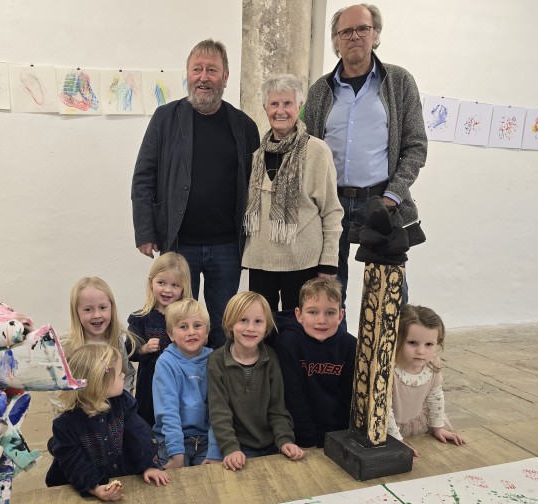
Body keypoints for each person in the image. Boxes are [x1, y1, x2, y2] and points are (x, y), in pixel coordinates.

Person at [132, 39, 261, 348]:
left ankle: (215, 392)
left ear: (226, 77)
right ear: (187, 74)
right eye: (197, 69)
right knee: (179, 326)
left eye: (212, 70)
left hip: (227, 246)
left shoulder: (244, 126)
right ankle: (181, 388)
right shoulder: (165, 118)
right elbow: (143, 177)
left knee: (222, 326)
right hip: (179, 245)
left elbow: (257, 190)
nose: (204, 77)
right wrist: (145, 231)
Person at [301, 4, 427, 307]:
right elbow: (306, 147)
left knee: (389, 294)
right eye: (345, 31)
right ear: (335, 41)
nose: (354, 36)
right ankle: (334, 354)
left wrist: (392, 197)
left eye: (362, 29)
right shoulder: (320, 90)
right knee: (328, 290)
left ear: (376, 35)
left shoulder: (399, 82)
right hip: (331, 204)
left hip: (381, 202)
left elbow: (416, 146)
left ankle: (387, 354)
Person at [242, 74, 343, 312]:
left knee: (297, 331)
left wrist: (328, 262)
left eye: (287, 103)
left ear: (299, 106)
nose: (280, 111)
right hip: (260, 261)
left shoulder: (317, 151)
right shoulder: (256, 156)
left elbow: (331, 210)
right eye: (274, 104)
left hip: (303, 262)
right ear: (266, 108)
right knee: (262, 330)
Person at [45, 344, 169, 501]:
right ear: (99, 384)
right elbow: (74, 462)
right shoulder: (66, 425)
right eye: (119, 374)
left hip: (121, 470)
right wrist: (94, 487)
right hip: (84, 480)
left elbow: (137, 436)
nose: (124, 375)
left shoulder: (123, 402)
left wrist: (148, 465)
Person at [207, 291, 305, 471]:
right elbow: (219, 411)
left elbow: (278, 408)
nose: (250, 328)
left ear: (266, 325)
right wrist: (230, 448)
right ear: (230, 323)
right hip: (239, 447)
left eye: (258, 321)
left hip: (273, 444)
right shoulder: (216, 361)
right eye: (243, 320)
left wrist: (285, 440)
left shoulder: (272, 358)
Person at [275, 278, 356, 448]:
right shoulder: (289, 342)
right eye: (312, 312)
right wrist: (308, 440)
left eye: (330, 313)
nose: (321, 320)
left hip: (338, 435)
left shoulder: (350, 346)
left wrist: (339, 438)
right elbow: (293, 396)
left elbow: (348, 398)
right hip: (299, 437)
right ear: (299, 315)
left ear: (341, 315)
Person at [387, 304, 465, 456]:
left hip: (418, 421)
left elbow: (435, 395)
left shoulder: (432, 363)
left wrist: (438, 427)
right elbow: (385, 411)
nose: (421, 351)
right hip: (388, 425)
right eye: (412, 343)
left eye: (429, 344)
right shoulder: (389, 368)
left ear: (438, 343)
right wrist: (398, 442)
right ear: (397, 339)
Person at [152, 298, 222, 468]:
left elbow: (218, 410)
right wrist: (176, 454)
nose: (191, 332)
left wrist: (214, 450)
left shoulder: (214, 360)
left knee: (212, 484)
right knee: (175, 487)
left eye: (197, 326)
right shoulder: (166, 363)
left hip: (207, 440)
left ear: (207, 332)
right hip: (172, 440)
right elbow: (168, 412)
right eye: (183, 327)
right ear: (170, 334)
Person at [128, 252, 193, 426]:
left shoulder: (188, 317)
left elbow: (200, 344)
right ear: (151, 283)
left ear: (183, 288)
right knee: (148, 422)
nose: (167, 290)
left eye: (175, 285)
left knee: (177, 419)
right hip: (150, 382)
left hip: (180, 380)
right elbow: (130, 351)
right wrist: (144, 349)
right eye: (161, 282)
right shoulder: (141, 318)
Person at [60, 277, 136, 394]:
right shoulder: (67, 346)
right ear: (76, 312)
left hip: (115, 410)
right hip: (81, 410)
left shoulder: (117, 341)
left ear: (111, 307)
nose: (96, 315)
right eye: (88, 309)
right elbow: (59, 388)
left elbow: (127, 374)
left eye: (102, 307)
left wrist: (124, 402)